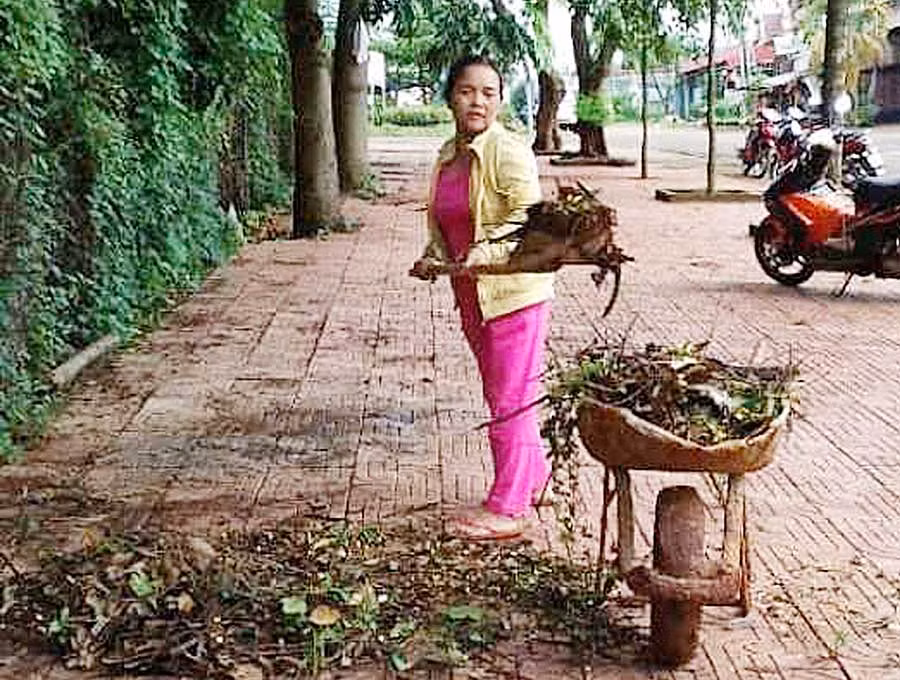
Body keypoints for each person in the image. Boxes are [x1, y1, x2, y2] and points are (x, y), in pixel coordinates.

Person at [409, 54, 555, 541]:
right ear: (451, 96)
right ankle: (534, 479)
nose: (478, 101)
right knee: (503, 391)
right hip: (472, 294)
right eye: (468, 91)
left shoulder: (508, 151)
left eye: (489, 93)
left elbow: (526, 219)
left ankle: (509, 506)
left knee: (510, 399)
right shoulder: (448, 155)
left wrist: (485, 251)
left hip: (513, 291)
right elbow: (447, 220)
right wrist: (434, 256)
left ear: (499, 101)